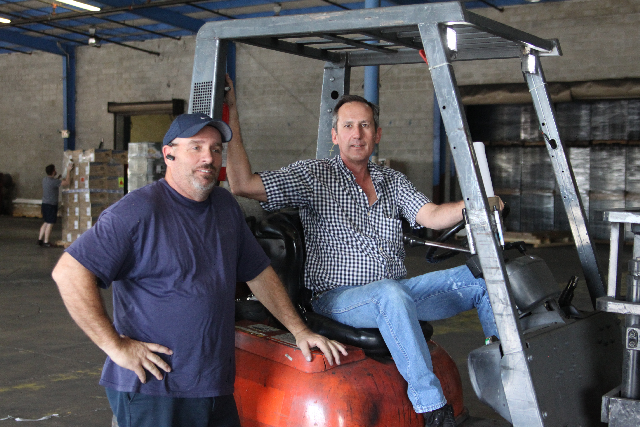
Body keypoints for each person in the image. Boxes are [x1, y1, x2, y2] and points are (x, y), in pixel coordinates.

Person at [224, 75, 501, 427]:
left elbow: (431, 215)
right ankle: (433, 409)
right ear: (335, 135)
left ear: (377, 134)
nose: (357, 134)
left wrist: (475, 205)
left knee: (482, 279)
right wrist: (231, 113)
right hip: (338, 298)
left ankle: (504, 372)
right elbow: (242, 184)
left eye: (365, 125)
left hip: (395, 293)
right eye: (348, 126)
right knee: (390, 295)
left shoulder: (392, 181)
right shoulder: (314, 176)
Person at [51, 113, 347, 427]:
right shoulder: (139, 210)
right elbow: (69, 272)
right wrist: (116, 346)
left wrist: (300, 331)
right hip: (156, 388)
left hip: (213, 385)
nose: (209, 157)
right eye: (196, 147)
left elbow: (258, 273)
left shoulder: (225, 206)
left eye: (216, 149)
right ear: (169, 154)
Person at [38, 163, 73, 247]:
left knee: (46, 222)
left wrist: (58, 178)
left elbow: (52, 184)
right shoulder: (54, 182)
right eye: (55, 169)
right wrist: (68, 170)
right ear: (53, 171)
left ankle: (40, 239)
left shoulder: (45, 180)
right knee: (50, 223)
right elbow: (67, 182)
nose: (56, 171)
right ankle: (46, 241)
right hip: (51, 205)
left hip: (44, 204)